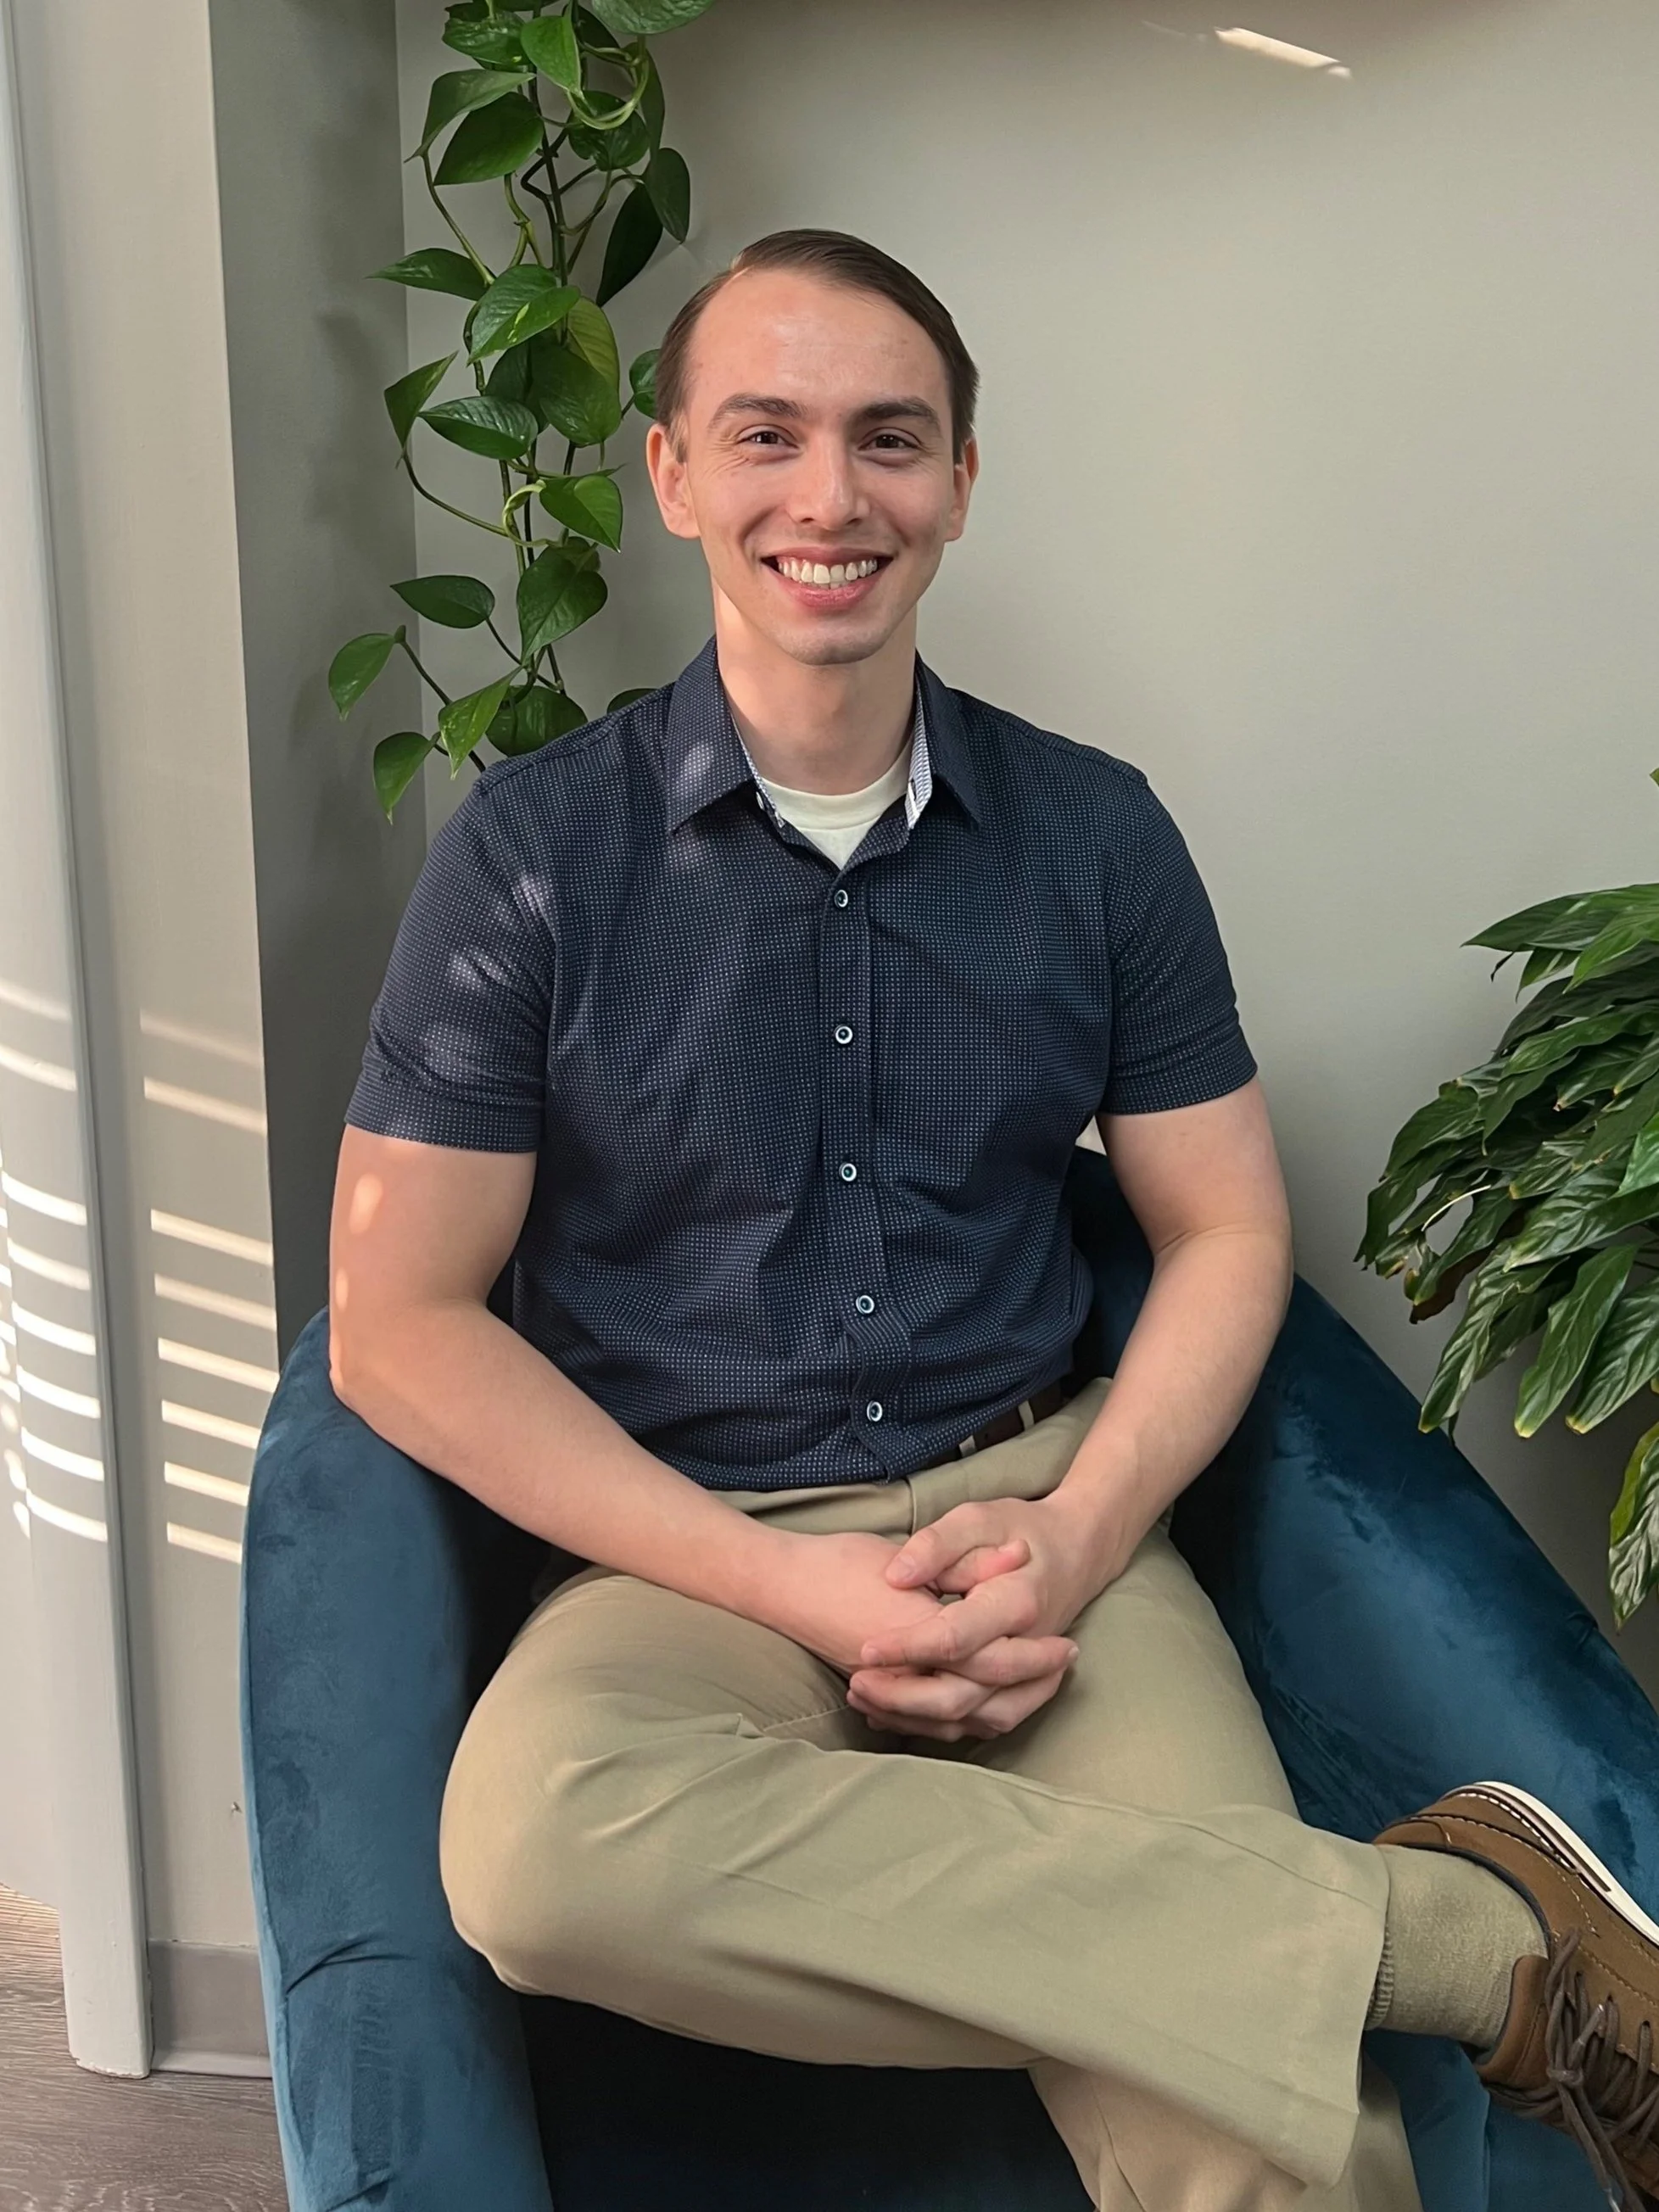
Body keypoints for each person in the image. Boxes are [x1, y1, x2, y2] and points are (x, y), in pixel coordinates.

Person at [327, 229, 1659, 2210]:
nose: (831, 494)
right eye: (765, 434)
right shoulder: (531, 861)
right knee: (535, 1853)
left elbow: (1224, 1229)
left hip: (1045, 1529)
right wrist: (800, 1591)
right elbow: (398, 1318)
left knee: (1267, 2148)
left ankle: (1291, 1952)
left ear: (959, 481)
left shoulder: (1097, 834)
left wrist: (1081, 1530)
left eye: (890, 438)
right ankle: (1460, 1942)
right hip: (690, 1557)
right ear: (673, 472)